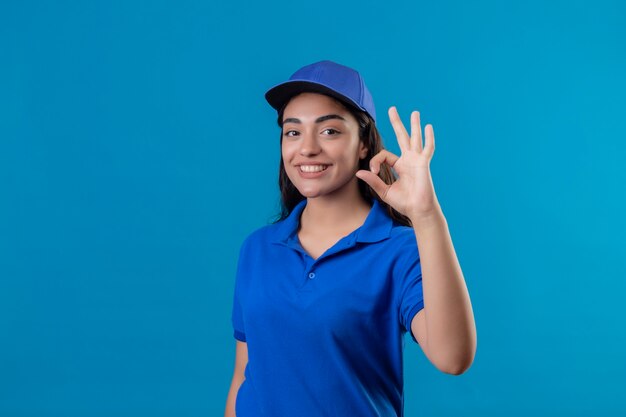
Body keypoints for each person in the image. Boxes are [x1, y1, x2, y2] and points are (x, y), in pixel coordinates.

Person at [224, 60, 476, 417]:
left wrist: (427, 217)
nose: (307, 148)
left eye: (329, 131)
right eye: (293, 132)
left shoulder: (399, 250)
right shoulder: (258, 248)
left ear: (362, 144)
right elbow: (243, 376)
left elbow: (453, 358)